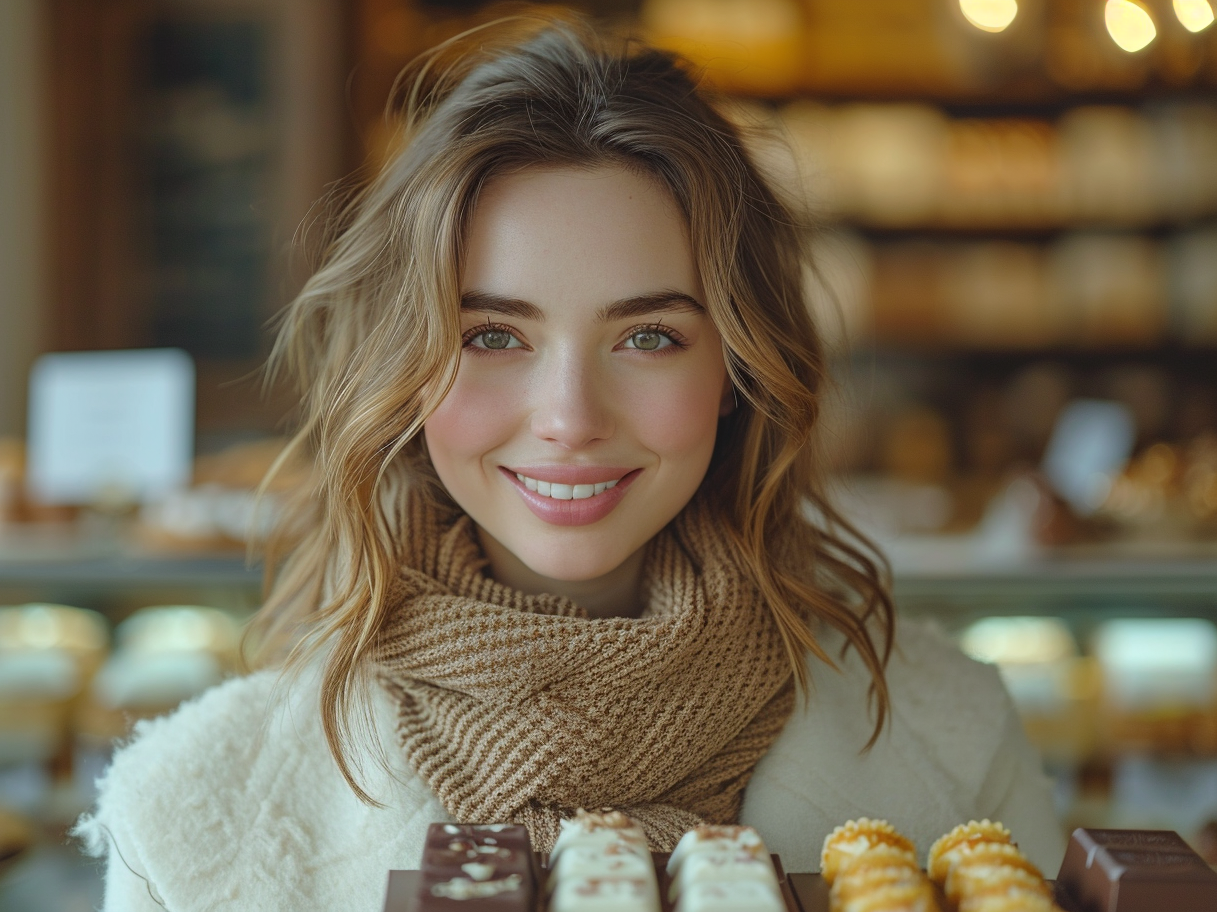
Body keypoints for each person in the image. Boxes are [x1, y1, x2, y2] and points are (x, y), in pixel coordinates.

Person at [75, 17, 1063, 910]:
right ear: (402, 367)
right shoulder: (190, 821)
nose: (568, 419)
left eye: (648, 338)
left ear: (738, 369)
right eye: (493, 337)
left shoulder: (956, 745)